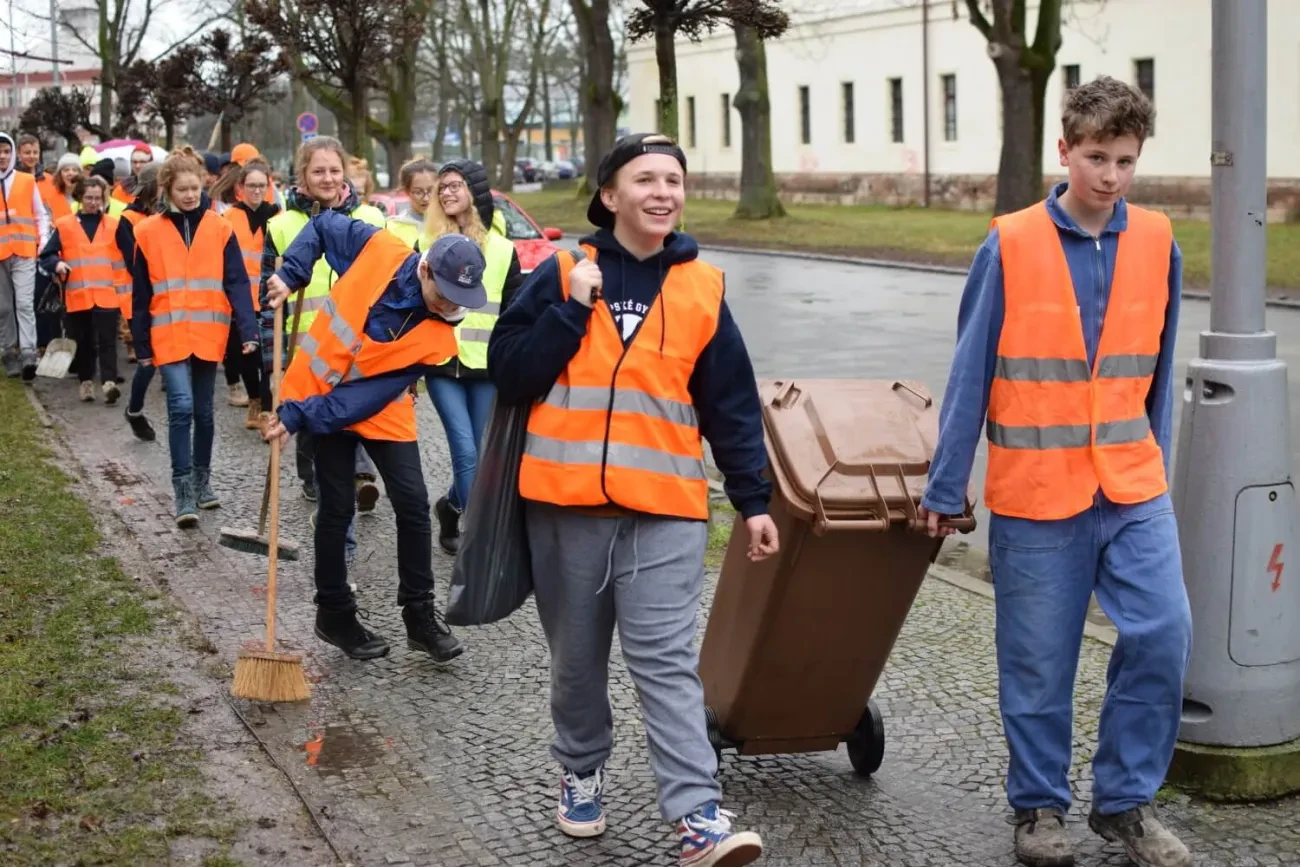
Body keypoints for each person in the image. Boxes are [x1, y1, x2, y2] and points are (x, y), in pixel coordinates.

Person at [918, 76, 1192, 867]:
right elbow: (971, 372)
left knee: (1164, 632)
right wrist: (945, 485)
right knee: (1039, 660)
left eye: (1126, 161)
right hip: (1038, 493)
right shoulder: (1010, 242)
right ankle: (1039, 806)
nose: (1111, 176)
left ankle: (1125, 802)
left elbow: (1157, 367)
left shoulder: (1158, 240)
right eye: (1097, 157)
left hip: (1133, 487)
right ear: (1064, 150)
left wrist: (1155, 466)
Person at [487, 133, 777, 867]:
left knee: (667, 661)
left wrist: (755, 501)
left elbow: (732, 407)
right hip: (566, 504)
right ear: (610, 195)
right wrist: (568, 311)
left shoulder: (703, 287)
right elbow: (509, 372)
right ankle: (581, 769)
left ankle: (698, 815)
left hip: (666, 507)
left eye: (673, 180)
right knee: (577, 660)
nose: (662, 193)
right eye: (645, 179)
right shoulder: (560, 272)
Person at [260, 214, 485, 663]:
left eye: (459, 299)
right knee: (337, 507)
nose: (449, 307)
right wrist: (292, 273)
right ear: (424, 269)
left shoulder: (440, 339)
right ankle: (334, 613)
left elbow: (364, 397)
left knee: (413, 504)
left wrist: (303, 415)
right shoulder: (378, 248)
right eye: (443, 294)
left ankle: (419, 616)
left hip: (376, 407)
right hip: (320, 390)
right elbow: (323, 226)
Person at [130, 150, 260, 527]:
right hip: (167, 332)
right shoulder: (147, 232)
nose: (190, 195)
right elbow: (140, 293)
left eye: (195, 189)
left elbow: (237, 281)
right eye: (182, 189)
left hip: (208, 332)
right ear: (167, 189)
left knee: (204, 412)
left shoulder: (220, 228)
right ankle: (183, 488)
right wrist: (141, 344)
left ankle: (203, 481)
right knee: (182, 407)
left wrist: (248, 330)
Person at [262, 136, 385, 514]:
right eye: (318, 171)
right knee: (309, 412)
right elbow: (267, 296)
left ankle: (357, 476)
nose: (328, 178)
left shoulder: (371, 219)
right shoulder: (281, 226)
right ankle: (311, 477)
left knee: (353, 409)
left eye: (334, 170)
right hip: (306, 342)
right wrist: (270, 359)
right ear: (303, 175)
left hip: (359, 342)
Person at [411, 158, 523, 553]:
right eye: (441, 187)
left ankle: (451, 507)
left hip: (486, 368)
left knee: (483, 454)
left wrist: (513, 367)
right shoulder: (425, 247)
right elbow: (410, 310)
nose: (446, 192)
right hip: (441, 366)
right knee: (465, 452)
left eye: (454, 185)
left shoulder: (504, 250)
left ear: (474, 192)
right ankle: (481, 543)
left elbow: (513, 316)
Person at [38, 175, 129, 404]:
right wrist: (57, 264)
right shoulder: (65, 225)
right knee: (83, 341)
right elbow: (47, 255)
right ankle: (86, 382)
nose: (94, 202)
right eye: (89, 198)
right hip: (77, 295)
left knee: (108, 340)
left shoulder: (113, 225)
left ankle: (109, 384)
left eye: (98, 198)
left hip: (107, 294)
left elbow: (131, 255)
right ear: (79, 197)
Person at [222, 159, 280, 429]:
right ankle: (254, 399)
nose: (257, 191)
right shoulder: (228, 218)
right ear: (240, 187)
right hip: (239, 298)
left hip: (269, 296)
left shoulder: (277, 217)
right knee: (245, 354)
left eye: (261, 185)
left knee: (268, 357)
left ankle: (266, 409)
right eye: (251, 186)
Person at [0, 132, 51, 382]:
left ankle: (29, 353)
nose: (2, 156)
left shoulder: (26, 181)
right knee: (3, 307)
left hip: (24, 252)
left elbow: (40, 214)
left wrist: (43, 241)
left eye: (6, 151)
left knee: (23, 303)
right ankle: (9, 351)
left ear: (12, 154)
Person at [120, 164, 162, 441]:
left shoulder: (169, 215)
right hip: (139, 299)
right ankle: (134, 410)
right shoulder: (128, 219)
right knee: (148, 362)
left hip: (168, 296)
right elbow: (133, 262)